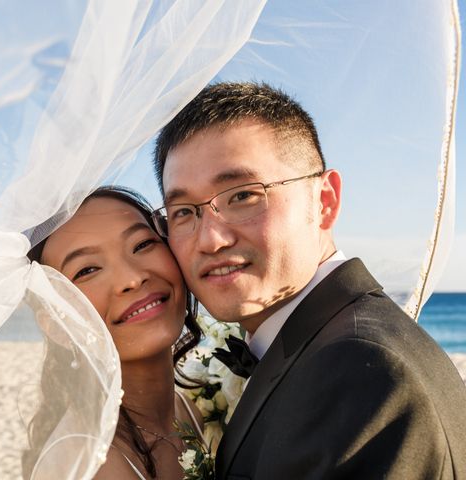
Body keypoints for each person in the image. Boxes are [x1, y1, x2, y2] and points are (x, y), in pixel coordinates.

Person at [151, 81, 466, 479]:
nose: (211, 239)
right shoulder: (314, 343)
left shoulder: (362, 369)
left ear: (324, 201)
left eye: (242, 196)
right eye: (183, 212)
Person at [23, 186, 205, 480]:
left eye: (142, 244)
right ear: (55, 323)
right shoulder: (87, 468)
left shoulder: (189, 411)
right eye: (88, 270)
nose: (133, 278)